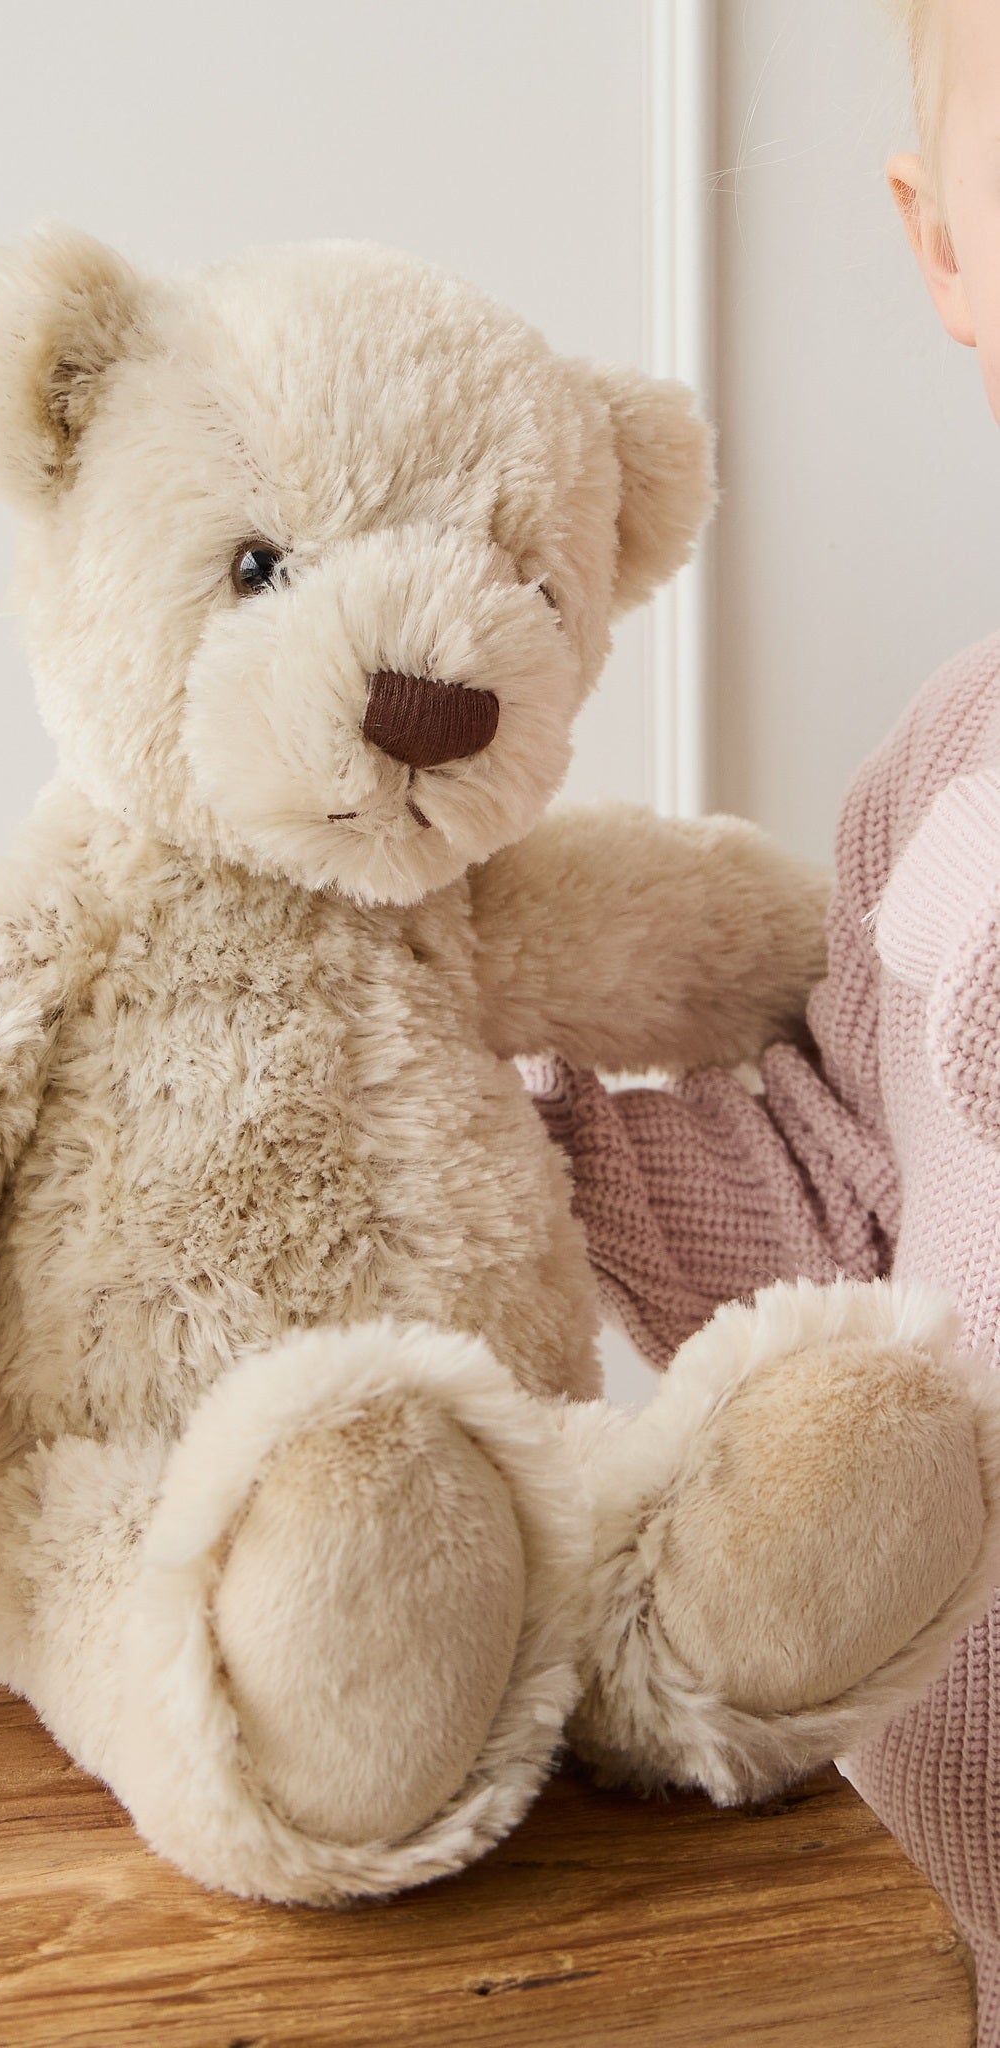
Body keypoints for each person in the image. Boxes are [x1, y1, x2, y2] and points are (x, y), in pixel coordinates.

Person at [535, 0, 1000, 2030]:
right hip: (947, 1921)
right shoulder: (944, 766)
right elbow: (829, 1219)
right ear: (945, 252)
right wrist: (503, 1088)